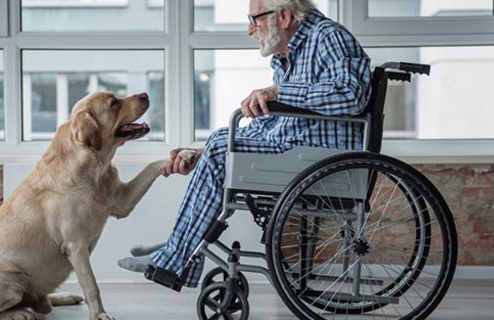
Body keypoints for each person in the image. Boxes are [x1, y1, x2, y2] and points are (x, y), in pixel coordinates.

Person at [118, 0, 372, 288]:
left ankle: (175, 255)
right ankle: (178, 246)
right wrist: (205, 151)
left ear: (284, 16)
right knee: (219, 140)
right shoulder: (289, 55)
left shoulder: (329, 37)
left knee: (220, 149)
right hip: (300, 152)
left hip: (324, 162)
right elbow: (278, 120)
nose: (250, 30)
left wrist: (281, 91)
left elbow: (352, 94)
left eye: (255, 20)